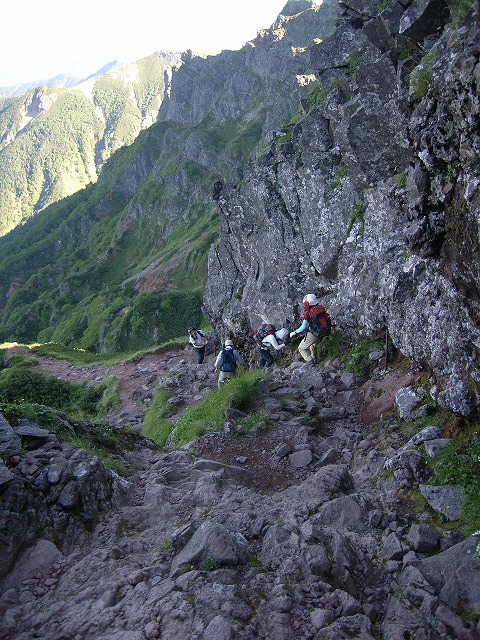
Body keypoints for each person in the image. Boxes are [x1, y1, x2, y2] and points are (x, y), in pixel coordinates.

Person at [289, 294, 328, 365]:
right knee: (312, 346)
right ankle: (315, 361)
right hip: (324, 331)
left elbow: (303, 327)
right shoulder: (320, 308)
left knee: (301, 348)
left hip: (315, 333)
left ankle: (311, 362)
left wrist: (294, 333)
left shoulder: (308, 313)